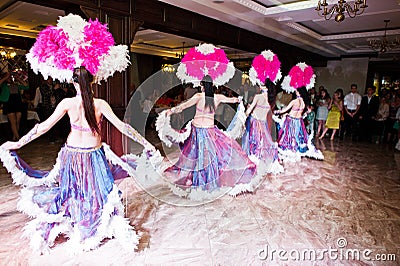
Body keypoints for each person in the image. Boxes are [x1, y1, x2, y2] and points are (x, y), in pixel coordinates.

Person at [0, 66, 157, 253]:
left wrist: (18, 143)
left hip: (74, 153)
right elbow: (123, 127)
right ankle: (89, 222)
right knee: (95, 191)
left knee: (75, 190)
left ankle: (80, 221)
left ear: (74, 82)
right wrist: (146, 143)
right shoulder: (99, 104)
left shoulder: (68, 103)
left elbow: (43, 127)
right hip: (90, 154)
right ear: (92, 81)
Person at [160, 75, 259, 199]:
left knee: (197, 156)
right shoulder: (217, 98)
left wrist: (171, 111)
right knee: (209, 157)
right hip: (209, 131)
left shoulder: (198, 96)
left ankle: (201, 184)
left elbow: (182, 107)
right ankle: (208, 183)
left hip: (198, 131)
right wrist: (240, 100)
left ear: (202, 86)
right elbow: (233, 100)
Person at [242, 78, 283, 174]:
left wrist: (243, 116)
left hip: (254, 123)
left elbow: (249, 111)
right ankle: (260, 160)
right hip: (263, 123)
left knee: (253, 143)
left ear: (261, 86)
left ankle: (254, 162)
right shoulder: (270, 99)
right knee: (261, 142)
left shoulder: (258, 97)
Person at [274, 86, 324, 161]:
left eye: (296, 90)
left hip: (291, 120)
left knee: (288, 136)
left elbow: (284, 110)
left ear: (298, 92)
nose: (295, 91)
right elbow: (309, 110)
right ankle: (295, 148)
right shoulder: (304, 102)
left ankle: (290, 149)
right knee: (296, 135)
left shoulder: (294, 101)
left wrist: (276, 112)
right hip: (298, 121)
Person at [0, 71, 29, 141]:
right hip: (9, 103)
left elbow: (26, 87)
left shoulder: (15, 85)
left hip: (17, 103)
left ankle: (14, 136)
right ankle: (18, 138)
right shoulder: (4, 85)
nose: (9, 77)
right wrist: (5, 78)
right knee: (13, 121)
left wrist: (18, 78)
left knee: (17, 121)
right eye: (8, 76)